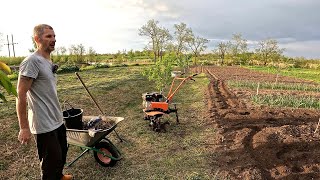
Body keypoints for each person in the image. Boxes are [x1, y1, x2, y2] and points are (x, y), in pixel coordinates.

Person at [16, 24, 72, 180]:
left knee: (61, 154)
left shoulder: (47, 60)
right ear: (36, 39)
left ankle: (59, 176)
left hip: (56, 119)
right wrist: (24, 127)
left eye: (54, 36)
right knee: (50, 163)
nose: (53, 39)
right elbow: (20, 95)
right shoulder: (31, 61)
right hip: (43, 124)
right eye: (48, 36)